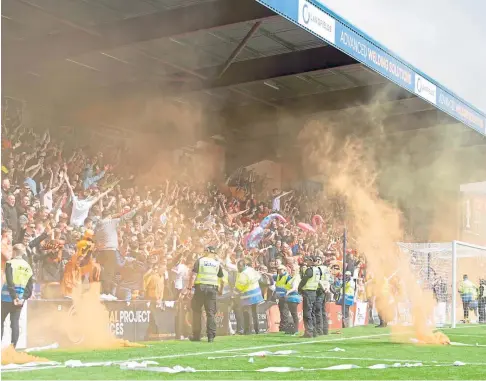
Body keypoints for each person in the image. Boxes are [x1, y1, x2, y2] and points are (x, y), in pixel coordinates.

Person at [186, 246, 224, 343]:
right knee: (210, 313)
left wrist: (189, 288)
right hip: (212, 289)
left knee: (197, 312)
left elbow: (193, 275)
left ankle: (196, 336)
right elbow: (222, 279)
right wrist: (221, 290)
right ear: (214, 253)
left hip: (200, 289)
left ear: (206, 252)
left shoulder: (200, 261)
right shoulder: (216, 263)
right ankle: (210, 337)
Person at [1, 244, 34, 348]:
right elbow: (30, 287)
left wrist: (14, 297)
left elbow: (10, 282)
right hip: (19, 300)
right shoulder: (28, 266)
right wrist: (22, 298)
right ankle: (13, 348)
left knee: (0, 321)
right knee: (14, 323)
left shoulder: (10, 263)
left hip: (6, 298)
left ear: (14, 252)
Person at [235, 260, 263, 335]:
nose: (238, 268)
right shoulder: (251, 269)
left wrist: (234, 293)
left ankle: (248, 331)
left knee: (246, 313)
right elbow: (259, 276)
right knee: (254, 313)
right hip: (256, 295)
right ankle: (257, 330)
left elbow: (240, 286)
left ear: (244, 265)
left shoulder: (243, 274)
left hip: (247, 296)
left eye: (239, 266)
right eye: (238, 266)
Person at [298, 256, 319, 338]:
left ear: (311, 261)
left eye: (307, 260)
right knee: (312, 313)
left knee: (307, 313)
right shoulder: (317, 270)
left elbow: (304, 280)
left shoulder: (310, 270)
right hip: (314, 292)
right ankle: (314, 331)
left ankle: (308, 332)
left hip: (308, 292)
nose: (306, 262)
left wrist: (299, 288)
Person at [284, 264, 302, 335]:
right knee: (292, 313)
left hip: (294, 297)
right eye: (292, 269)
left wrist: (288, 292)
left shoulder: (296, 278)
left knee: (294, 314)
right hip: (290, 297)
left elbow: (294, 287)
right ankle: (294, 329)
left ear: (297, 271)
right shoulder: (292, 277)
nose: (292, 271)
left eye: (294, 270)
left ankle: (296, 329)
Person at [314, 257, 330, 335]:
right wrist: (327, 288)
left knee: (318, 310)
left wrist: (324, 288)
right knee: (323, 310)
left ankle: (319, 330)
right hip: (324, 290)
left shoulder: (317, 269)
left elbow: (318, 280)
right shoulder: (325, 268)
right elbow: (328, 280)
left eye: (318, 260)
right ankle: (325, 329)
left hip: (319, 290)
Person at [273, 264, 291, 332]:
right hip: (280, 297)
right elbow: (271, 275)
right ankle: (282, 326)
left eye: (280, 269)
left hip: (285, 296)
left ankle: (284, 326)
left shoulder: (287, 277)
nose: (279, 271)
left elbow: (290, 286)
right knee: (282, 312)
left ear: (284, 270)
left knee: (284, 312)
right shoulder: (278, 276)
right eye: (278, 270)